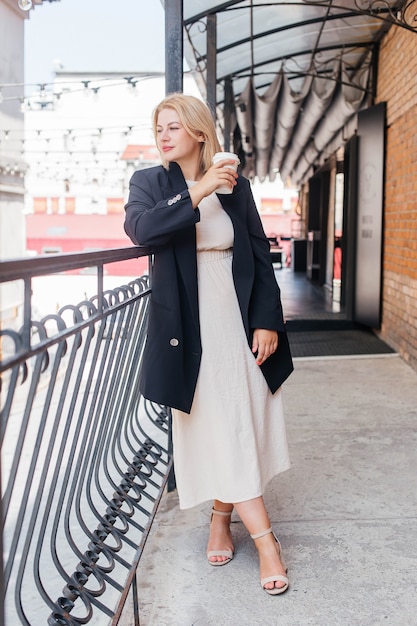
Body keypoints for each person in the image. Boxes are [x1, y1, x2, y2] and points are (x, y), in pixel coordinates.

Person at [124, 93, 292, 595]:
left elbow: (259, 253)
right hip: (189, 330)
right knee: (219, 423)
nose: (165, 135)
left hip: (236, 318)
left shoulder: (235, 185)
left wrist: (267, 321)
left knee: (240, 421)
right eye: (160, 128)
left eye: (175, 127)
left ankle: (222, 518)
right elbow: (142, 231)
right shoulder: (150, 183)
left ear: (199, 132)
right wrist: (197, 191)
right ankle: (266, 543)